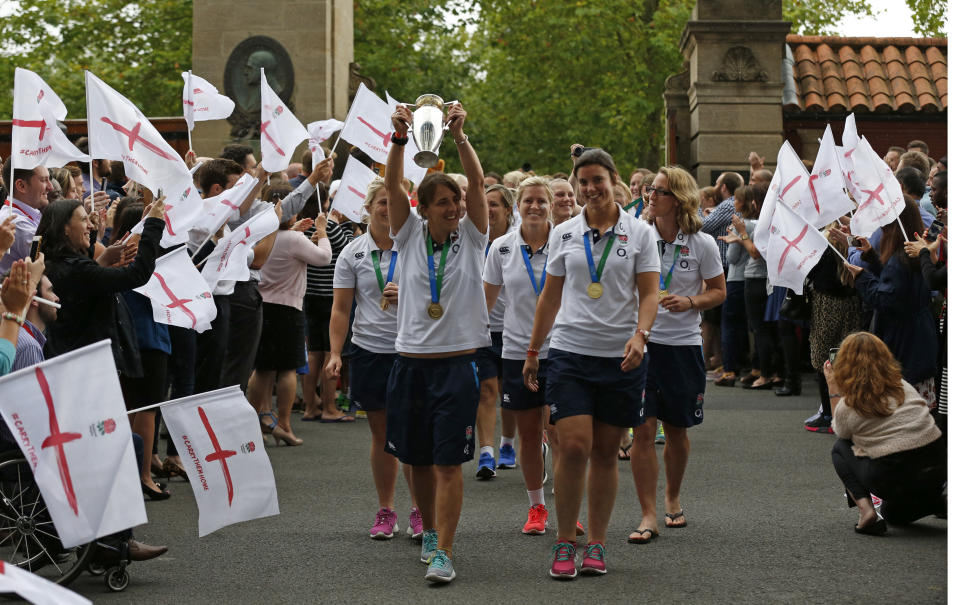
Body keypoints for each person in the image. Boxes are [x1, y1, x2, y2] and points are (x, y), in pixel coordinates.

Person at [523, 148, 659, 579]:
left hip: (621, 358)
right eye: (582, 182)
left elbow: (651, 293)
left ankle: (597, 543)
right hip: (569, 353)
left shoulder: (639, 233)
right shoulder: (564, 233)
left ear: (613, 179)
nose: (589, 189)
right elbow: (550, 297)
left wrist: (641, 334)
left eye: (597, 180)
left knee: (604, 451)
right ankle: (565, 540)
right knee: (575, 444)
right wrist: (532, 350)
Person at [385, 102, 489, 583]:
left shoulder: (472, 238)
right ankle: (428, 529)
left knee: (449, 463)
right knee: (417, 460)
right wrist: (400, 139)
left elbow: (480, 186)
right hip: (410, 365)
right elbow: (393, 187)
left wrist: (460, 136)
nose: (454, 207)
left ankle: (444, 551)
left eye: (456, 200)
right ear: (423, 210)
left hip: (457, 366)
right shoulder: (407, 238)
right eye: (443, 202)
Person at [627, 165, 725, 545]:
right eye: (650, 190)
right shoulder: (638, 236)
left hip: (683, 347)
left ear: (679, 199)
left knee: (678, 430)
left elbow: (718, 291)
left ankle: (672, 495)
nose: (651, 196)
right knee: (643, 429)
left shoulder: (701, 242)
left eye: (659, 191)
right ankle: (647, 512)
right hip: (644, 344)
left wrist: (690, 301)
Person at [326, 177, 421, 541]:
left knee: (410, 432)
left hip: (411, 351)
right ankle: (386, 510)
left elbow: (440, 293)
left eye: (393, 203)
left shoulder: (415, 246)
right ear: (368, 209)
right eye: (381, 202)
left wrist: (409, 293)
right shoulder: (353, 252)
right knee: (382, 436)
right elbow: (340, 308)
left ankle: (418, 509)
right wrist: (336, 352)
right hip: (369, 352)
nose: (387, 209)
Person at [483, 176, 554, 534]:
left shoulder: (567, 243)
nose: (535, 206)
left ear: (551, 206)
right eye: (528, 201)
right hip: (515, 350)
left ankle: (569, 505)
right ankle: (537, 507)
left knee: (562, 434)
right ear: (517, 206)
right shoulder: (501, 248)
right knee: (528, 434)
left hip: (561, 349)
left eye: (542, 201)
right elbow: (485, 303)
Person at [827, 332, 945, 534]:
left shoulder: (851, 403)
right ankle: (937, 501)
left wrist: (833, 388)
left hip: (892, 475)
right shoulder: (902, 385)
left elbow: (841, 431)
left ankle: (866, 513)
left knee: (840, 448)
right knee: (893, 515)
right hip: (936, 468)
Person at [247, 186, 330, 446]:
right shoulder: (293, 240)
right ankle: (283, 423)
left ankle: (252, 424)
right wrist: (323, 232)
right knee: (287, 369)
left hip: (263, 305)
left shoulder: (262, 237)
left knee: (262, 369)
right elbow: (324, 258)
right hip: (288, 309)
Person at [844, 200, 937, 406]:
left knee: (903, 411)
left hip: (903, 341)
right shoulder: (917, 252)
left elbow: (886, 299)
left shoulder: (899, 259)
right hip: (920, 337)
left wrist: (861, 277)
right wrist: (871, 258)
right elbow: (897, 286)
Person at [803, 225, 860, 433]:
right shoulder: (855, 245)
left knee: (823, 358)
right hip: (852, 304)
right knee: (848, 356)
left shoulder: (824, 249)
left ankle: (828, 413)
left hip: (826, 306)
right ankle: (851, 409)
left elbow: (810, 271)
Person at [475, 184, 515, 478]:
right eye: (484, 204)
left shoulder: (517, 241)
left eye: (494, 205)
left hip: (515, 329)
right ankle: (486, 452)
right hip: (482, 328)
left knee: (511, 393)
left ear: (507, 210)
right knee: (487, 391)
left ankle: (507, 444)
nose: (488, 210)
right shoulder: (472, 240)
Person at [713, 185, 752, 386]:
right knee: (746, 326)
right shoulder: (757, 222)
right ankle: (749, 365)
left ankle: (730, 370)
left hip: (737, 278)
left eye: (736, 200)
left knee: (729, 325)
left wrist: (731, 241)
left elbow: (732, 257)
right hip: (751, 279)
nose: (733, 204)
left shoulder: (742, 224)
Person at [0, 157, 55, 273]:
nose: (51, 187)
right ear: (21, 186)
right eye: (44, 180)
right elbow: (56, 266)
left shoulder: (28, 214)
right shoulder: (17, 224)